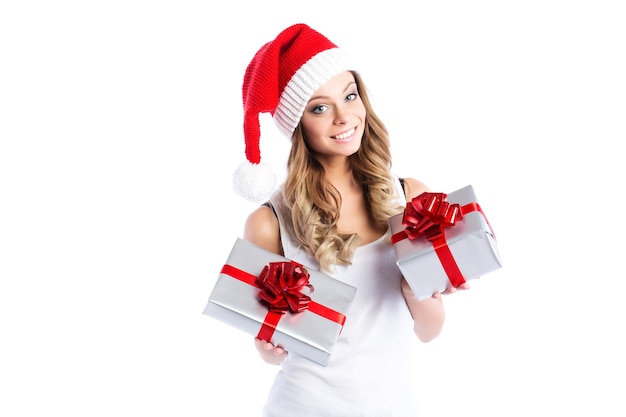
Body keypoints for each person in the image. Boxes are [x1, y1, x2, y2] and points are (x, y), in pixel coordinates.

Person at [231, 23, 469, 417]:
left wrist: (416, 290)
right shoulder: (268, 222)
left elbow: (430, 332)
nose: (344, 117)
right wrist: (266, 345)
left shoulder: (410, 197)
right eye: (320, 107)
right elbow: (271, 355)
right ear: (297, 124)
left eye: (350, 96)